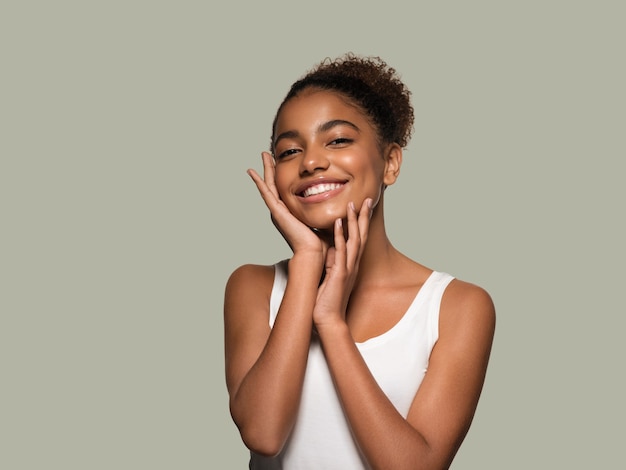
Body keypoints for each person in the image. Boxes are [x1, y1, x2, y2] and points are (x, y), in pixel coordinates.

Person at [223, 53, 495, 470]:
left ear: (390, 163)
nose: (311, 162)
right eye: (290, 150)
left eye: (337, 140)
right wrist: (308, 263)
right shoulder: (252, 286)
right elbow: (263, 432)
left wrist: (331, 323)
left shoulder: (457, 306)